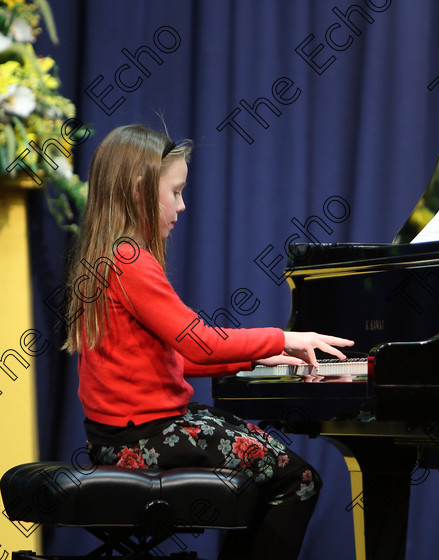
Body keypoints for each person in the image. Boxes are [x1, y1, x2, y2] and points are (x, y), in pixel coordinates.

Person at [63, 124, 353, 560]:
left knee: (268, 470)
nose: (182, 205)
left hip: (125, 437)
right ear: (141, 188)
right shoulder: (129, 260)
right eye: (175, 191)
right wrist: (286, 336)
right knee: (300, 480)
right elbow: (199, 343)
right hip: (146, 440)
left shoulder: (108, 257)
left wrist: (261, 356)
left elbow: (175, 358)